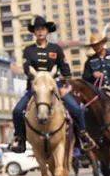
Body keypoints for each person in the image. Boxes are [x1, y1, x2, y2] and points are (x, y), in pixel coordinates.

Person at [11, 15, 94, 152]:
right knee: (17, 111)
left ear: (47, 31)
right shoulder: (29, 50)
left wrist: (66, 85)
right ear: (34, 32)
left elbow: (65, 68)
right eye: (37, 29)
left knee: (76, 108)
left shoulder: (56, 49)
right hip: (36, 86)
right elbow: (27, 68)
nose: (40, 32)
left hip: (54, 85)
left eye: (42, 29)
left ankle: (83, 135)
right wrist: (36, 77)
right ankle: (19, 138)